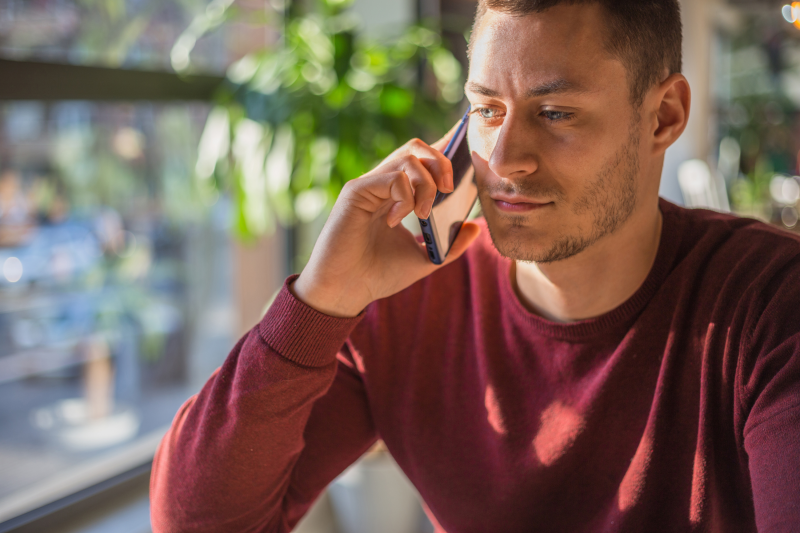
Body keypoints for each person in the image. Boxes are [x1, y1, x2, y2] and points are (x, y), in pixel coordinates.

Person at [150, 0, 800, 531]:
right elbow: (197, 521)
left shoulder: (773, 302)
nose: (505, 157)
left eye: (555, 113)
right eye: (486, 110)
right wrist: (322, 301)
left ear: (664, 116)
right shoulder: (406, 299)